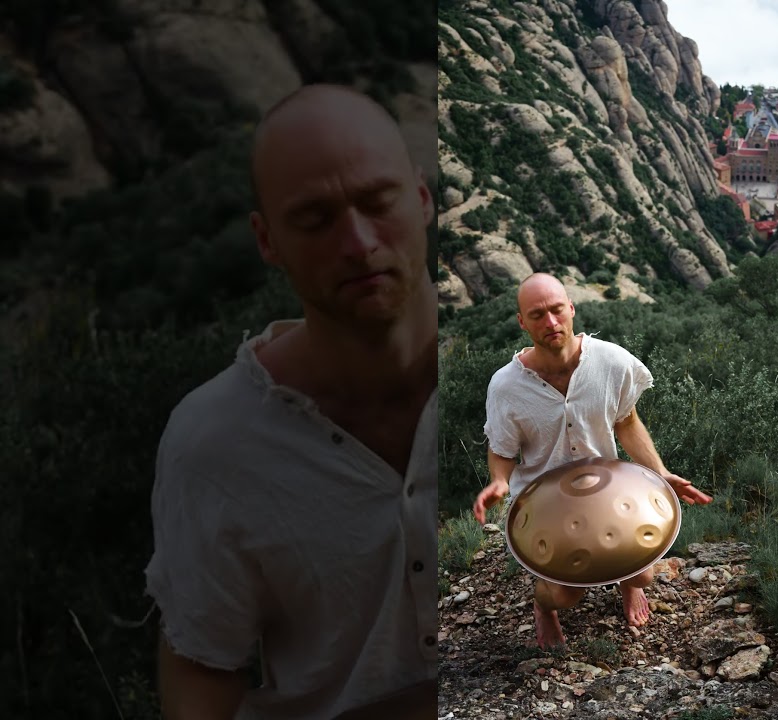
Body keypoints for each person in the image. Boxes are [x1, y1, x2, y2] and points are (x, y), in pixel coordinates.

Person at [142, 84, 438, 719]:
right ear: (267, 240)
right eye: (315, 219)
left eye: (377, 201)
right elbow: (203, 667)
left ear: (421, 198)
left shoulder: (505, 374)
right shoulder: (214, 444)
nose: (357, 242)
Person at [472, 273, 712, 649]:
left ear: (571, 309)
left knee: (643, 576)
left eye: (556, 310)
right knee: (565, 595)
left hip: (606, 491)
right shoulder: (506, 386)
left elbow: (627, 422)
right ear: (522, 322)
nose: (550, 322)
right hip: (546, 503)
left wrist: (661, 472)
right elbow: (502, 450)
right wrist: (500, 481)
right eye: (537, 315)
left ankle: (628, 585)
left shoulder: (611, 361)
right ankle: (543, 607)